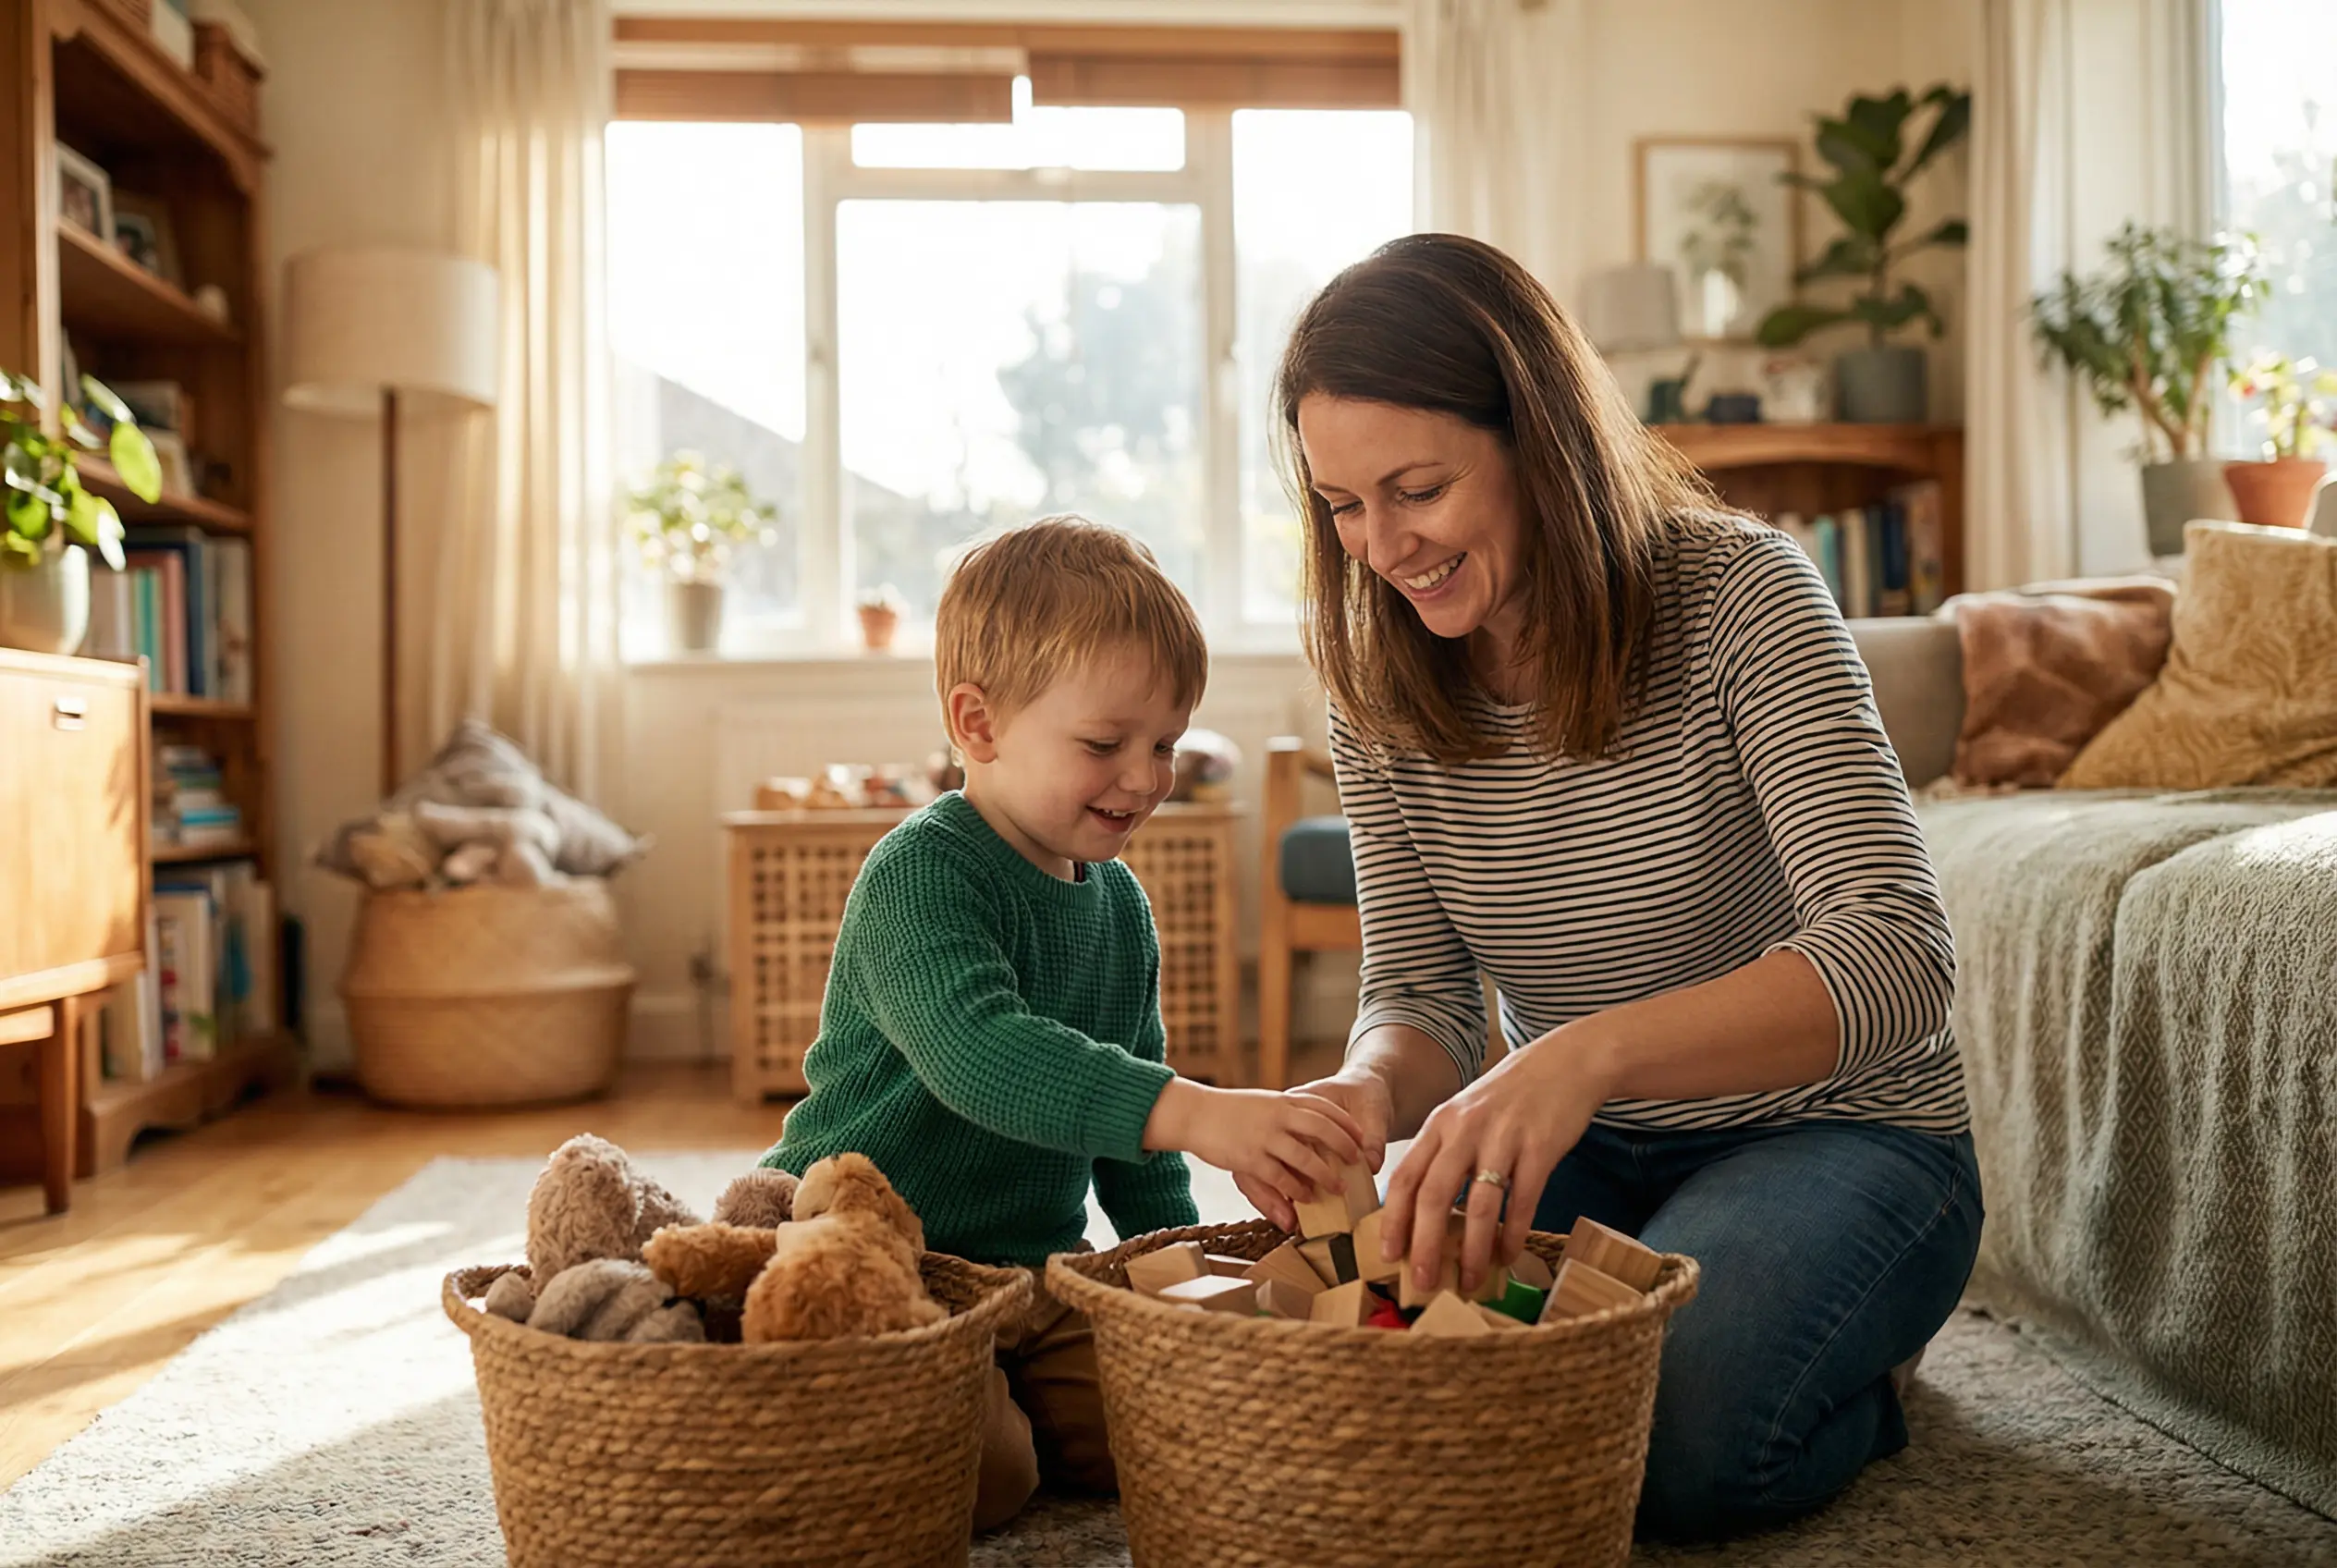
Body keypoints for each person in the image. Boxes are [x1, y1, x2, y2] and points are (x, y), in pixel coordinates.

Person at [1238, 234, 1982, 1540]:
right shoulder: (1379, 690)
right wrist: (1364, 1092)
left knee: (1675, 1446)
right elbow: (1418, 993)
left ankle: (1868, 1383)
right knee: (1410, 1380)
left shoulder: (1742, 595)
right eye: (1344, 506)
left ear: (1538, 440)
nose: (1382, 548)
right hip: (1583, 1146)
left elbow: (1899, 958)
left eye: (1417, 489)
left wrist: (1583, 1057)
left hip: (1840, 1135)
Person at [756, 516, 1365, 1531]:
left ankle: (1013, 1398)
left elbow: (1132, 1148)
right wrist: (1201, 1113)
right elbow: (981, 1054)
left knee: (1175, 1424)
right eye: (1103, 744)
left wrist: (1171, 1267)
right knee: (987, 1476)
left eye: (1165, 742)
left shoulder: (1119, 908)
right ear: (979, 724)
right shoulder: (919, 871)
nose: (1146, 775)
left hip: (1029, 1278)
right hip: (880, 1257)